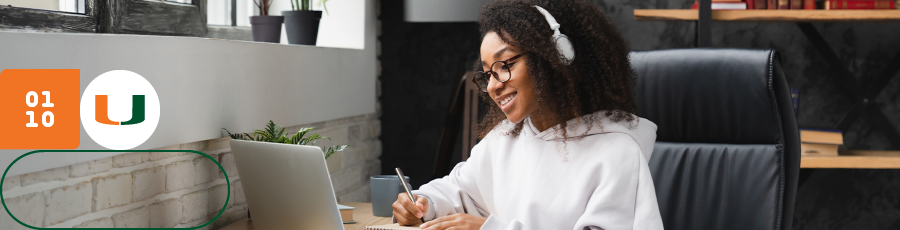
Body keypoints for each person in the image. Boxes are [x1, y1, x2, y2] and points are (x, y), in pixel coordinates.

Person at [392, 0, 664, 229]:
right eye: (487, 74)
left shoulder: (617, 153)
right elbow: (457, 190)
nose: (493, 85)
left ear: (554, 56)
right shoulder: (502, 141)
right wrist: (422, 202)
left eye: (506, 64)